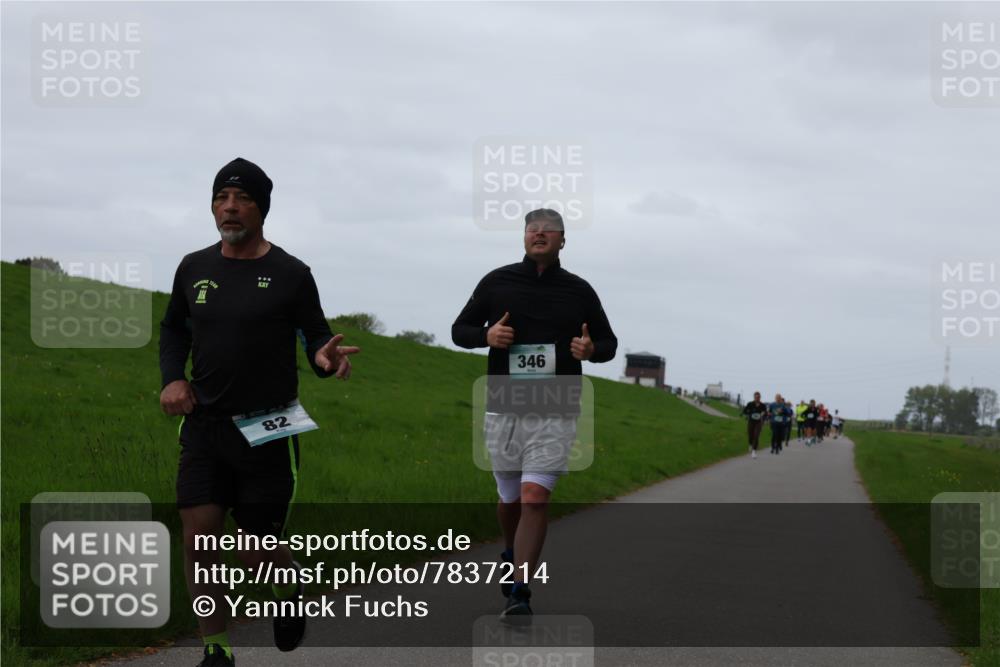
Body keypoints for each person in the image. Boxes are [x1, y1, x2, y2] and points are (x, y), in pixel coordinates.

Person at [159, 158, 360, 667]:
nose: (229, 207)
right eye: (221, 198)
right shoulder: (193, 267)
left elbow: (316, 335)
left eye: (241, 198)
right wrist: (173, 378)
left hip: (267, 430)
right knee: (199, 540)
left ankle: (288, 589)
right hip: (205, 427)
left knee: (255, 553)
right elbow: (174, 330)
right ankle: (216, 649)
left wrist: (324, 357)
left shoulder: (291, 274)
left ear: (261, 208)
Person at [452, 208, 617, 620]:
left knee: (534, 497)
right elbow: (460, 329)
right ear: (524, 237)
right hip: (504, 404)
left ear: (563, 241)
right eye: (532, 228)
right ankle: (509, 554)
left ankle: (521, 591)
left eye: (549, 230)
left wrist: (591, 350)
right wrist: (486, 336)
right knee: (510, 497)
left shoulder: (579, 290)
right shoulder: (497, 281)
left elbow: (608, 342)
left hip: (557, 405)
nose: (539, 234)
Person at [742, 391, 768, 458]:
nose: (757, 398)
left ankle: (754, 451)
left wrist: (763, 414)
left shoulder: (763, 405)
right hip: (751, 421)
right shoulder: (750, 404)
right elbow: (744, 411)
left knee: (756, 436)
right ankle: (750, 444)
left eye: (758, 397)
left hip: (758, 422)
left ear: (760, 398)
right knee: (750, 435)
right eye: (756, 397)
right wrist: (748, 413)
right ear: (754, 397)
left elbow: (766, 413)